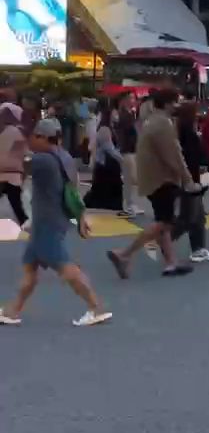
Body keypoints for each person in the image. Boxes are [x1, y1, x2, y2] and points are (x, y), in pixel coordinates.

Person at [0, 119, 112, 327]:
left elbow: (16, 166)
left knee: (66, 268)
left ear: (43, 137)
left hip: (47, 223)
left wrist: (17, 148)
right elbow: (73, 190)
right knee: (29, 268)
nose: (32, 140)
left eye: (35, 136)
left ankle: (96, 307)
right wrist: (80, 218)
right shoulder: (65, 157)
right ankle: (12, 310)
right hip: (51, 220)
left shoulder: (42, 160)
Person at [107, 89, 199, 279]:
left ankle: (171, 263)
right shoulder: (162, 124)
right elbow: (174, 155)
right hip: (162, 179)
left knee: (162, 222)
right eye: (175, 102)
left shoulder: (152, 121)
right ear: (166, 104)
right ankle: (124, 253)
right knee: (163, 222)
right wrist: (188, 180)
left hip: (153, 178)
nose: (177, 105)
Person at [175, 102, 209, 263]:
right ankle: (160, 237)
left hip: (190, 179)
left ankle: (198, 249)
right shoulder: (189, 135)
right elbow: (193, 158)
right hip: (191, 180)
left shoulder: (182, 132)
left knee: (196, 217)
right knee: (189, 218)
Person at [83, 105, 124, 214]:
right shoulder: (104, 129)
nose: (117, 116)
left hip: (110, 165)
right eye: (115, 114)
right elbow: (109, 149)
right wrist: (122, 159)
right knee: (105, 189)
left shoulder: (112, 128)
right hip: (106, 165)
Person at [114, 92, 143, 216]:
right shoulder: (123, 115)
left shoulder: (130, 114)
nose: (134, 100)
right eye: (131, 97)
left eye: (134, 98)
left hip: (131, 149)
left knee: (130, 179)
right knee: (129, 179)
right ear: (124, 100)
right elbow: (125, 133)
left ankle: (130, 204)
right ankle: (129, 205)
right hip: (127, 150)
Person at [0, 102, 28, 227]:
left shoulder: (11, 132)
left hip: (6, 173)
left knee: (16, 202)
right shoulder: (19, 133)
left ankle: (25, 222)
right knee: (16, 203)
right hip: (13, 174)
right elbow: (23, 154)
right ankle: (25, 223)